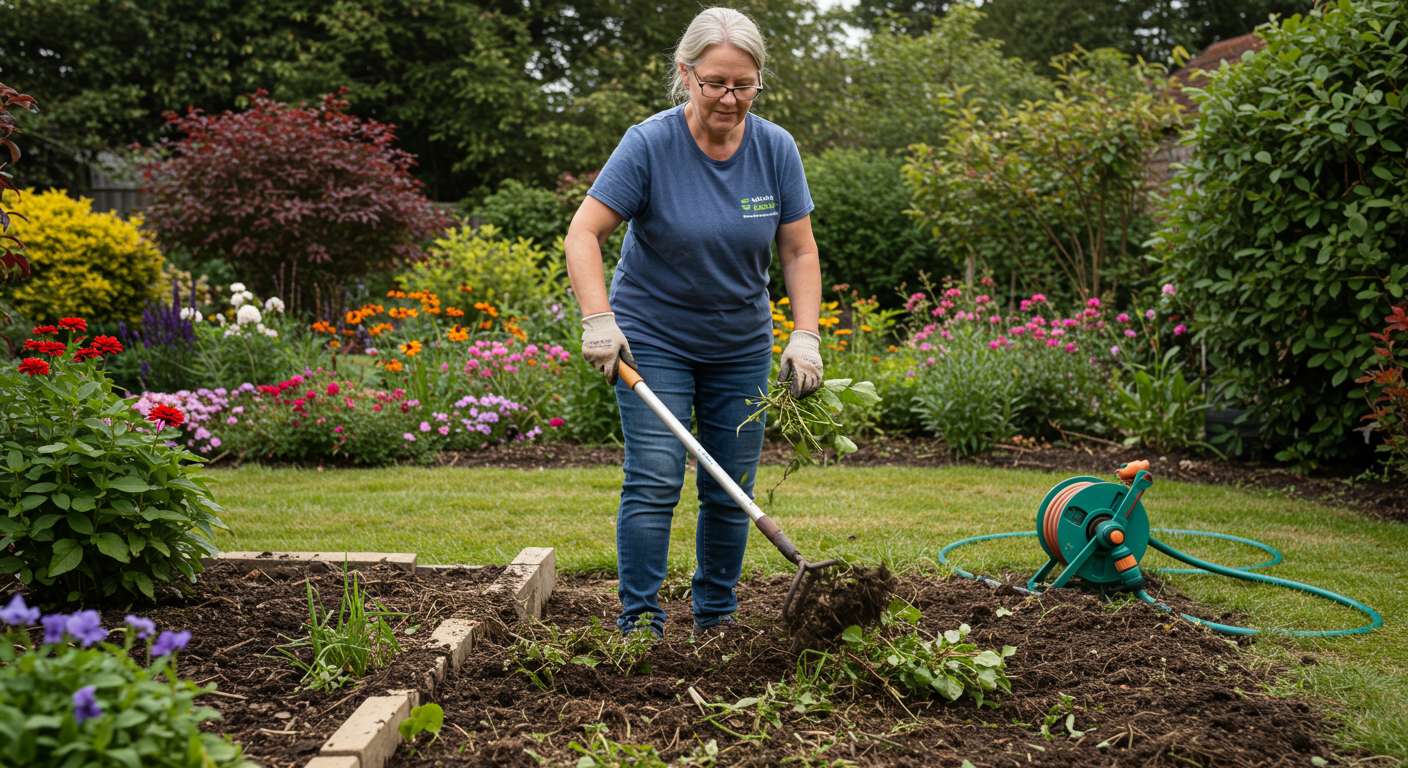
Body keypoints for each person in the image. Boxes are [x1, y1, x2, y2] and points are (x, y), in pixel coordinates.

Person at [564, 6, 823, 637]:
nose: (730, 98)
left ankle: (716, 617)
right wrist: (598, 318)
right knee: (654, 479)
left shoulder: (775, 148)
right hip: (654, 337)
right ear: (686, 75)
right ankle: (641, 624)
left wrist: (805, 334)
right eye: (715, 83)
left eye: (744, 85)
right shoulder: (650, 144)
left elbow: (798, 249)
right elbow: (584, 232)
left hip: (738, 341)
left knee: (731, 486)